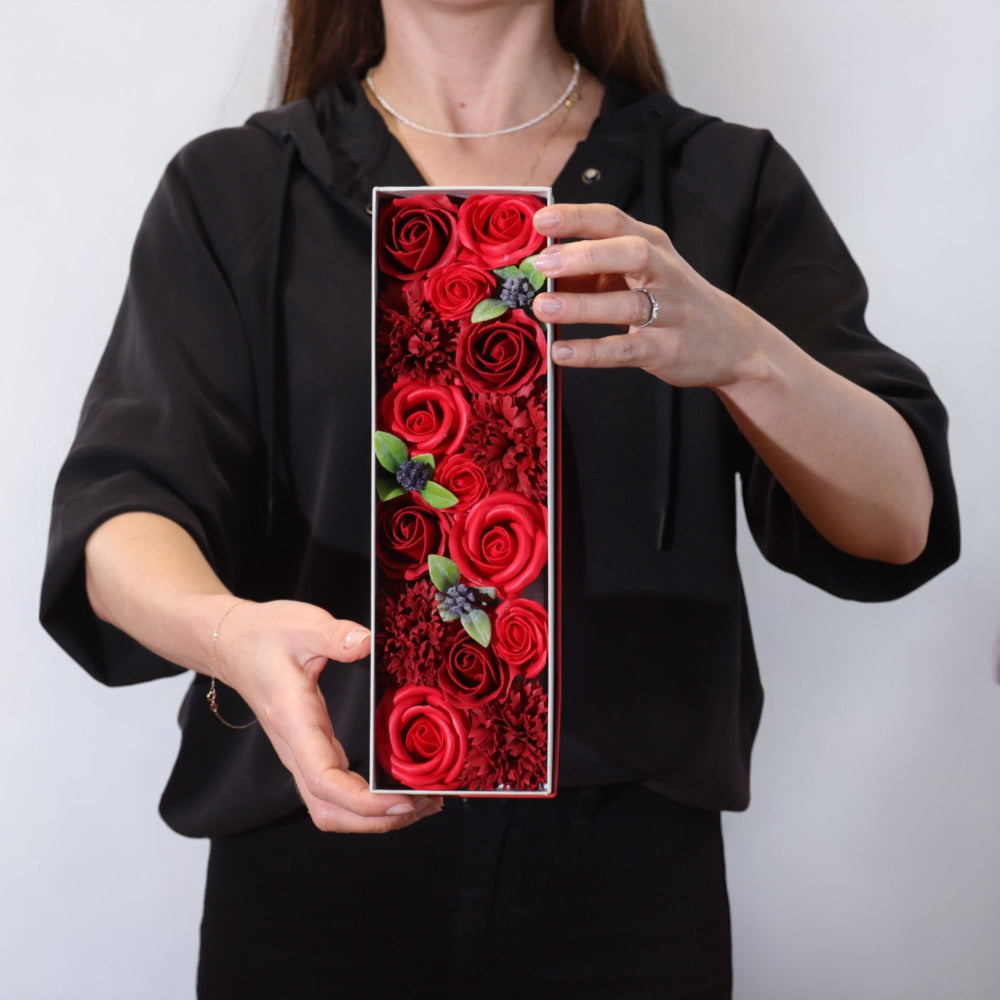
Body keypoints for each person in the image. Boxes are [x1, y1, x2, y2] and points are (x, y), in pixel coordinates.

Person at [40, 0, 960, 996]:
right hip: (312, 862)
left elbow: (897, 518)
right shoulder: (236, 190)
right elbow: (123, 512)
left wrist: (747, 354)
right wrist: (228, 634)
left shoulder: (718, 183)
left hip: (629, 891)